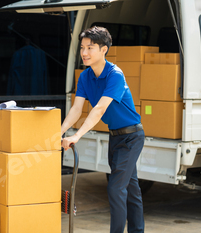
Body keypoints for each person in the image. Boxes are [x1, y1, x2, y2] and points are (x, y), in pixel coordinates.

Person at [61, 26, 145, 233]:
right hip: (116, 138)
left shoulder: (115, 75)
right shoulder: (85, 77)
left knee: (116, 189)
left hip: (132, 136)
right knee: (131, 190)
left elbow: (99, 109)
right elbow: (76, 110)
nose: (84, 53)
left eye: (90, 47)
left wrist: (77, 135)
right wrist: (58, 132)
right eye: (82, 47)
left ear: (104, 49)